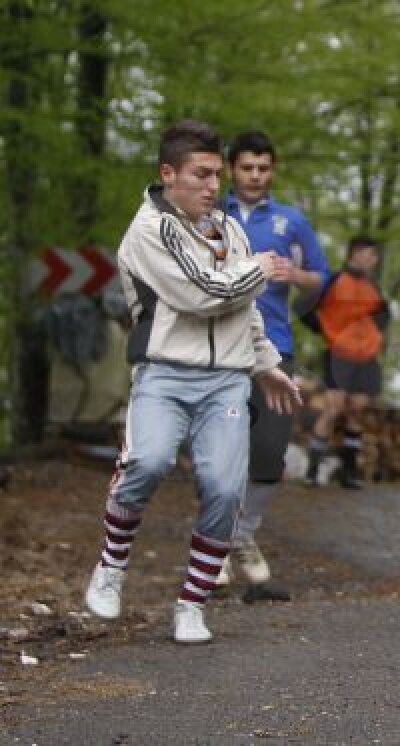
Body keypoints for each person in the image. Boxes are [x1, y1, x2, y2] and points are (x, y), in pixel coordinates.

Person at [82, 120, 300, 644]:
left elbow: (243, 310)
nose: (212, 186)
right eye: (201, 175)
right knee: (148, 461)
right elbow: (201, 293)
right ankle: (111, 565)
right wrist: (259, 269)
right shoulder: (149, 230)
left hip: (226, 380)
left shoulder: (229, 230)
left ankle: (191, 606)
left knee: (224, 489)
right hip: (163, 373)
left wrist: (265, 362)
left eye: (216, 175)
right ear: (168, 173)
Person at [218, 130, 331, 600]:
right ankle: (214, 548)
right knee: (220, 451)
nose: (255, 176)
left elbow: (321, 279)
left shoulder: (291, 221)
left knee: (270, 449)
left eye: (263, 168)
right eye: (247, 168)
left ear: (273, 170)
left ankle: (242, 535)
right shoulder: (211, 215)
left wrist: (297, 275)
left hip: (275, 347)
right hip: (218, 347)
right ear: (231, 169)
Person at [304, 235, 389, 489]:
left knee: (356, 411)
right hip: (339, 355)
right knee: (333, 409)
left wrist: (373, 337)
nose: (373, 260)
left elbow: (384, 317)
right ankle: (312, 471)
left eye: (375, 256)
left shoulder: (373, 287)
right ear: (355, 254)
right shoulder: (334, 280)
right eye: (369, 254)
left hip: (366, 358)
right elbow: (305, 308)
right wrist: (328, 331)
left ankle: (348, 472)